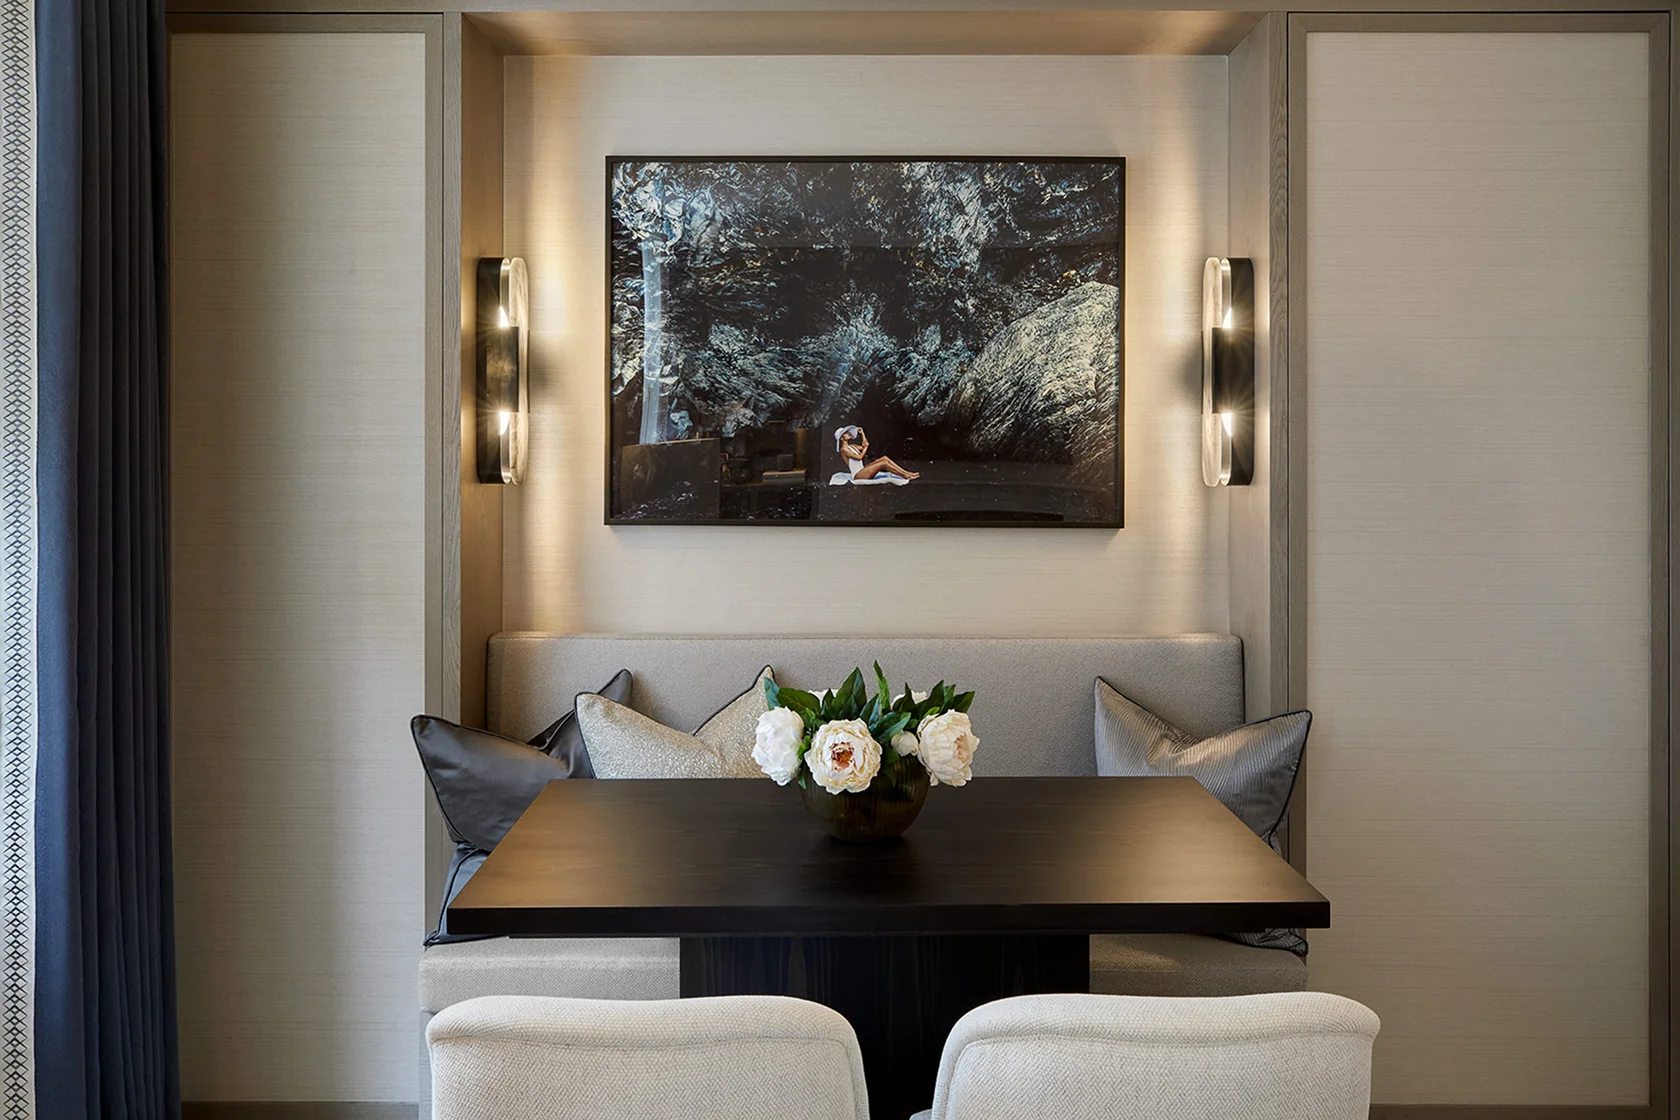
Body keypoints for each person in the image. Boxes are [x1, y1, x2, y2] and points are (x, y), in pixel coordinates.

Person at [836, 425, 919, 482]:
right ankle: (905, 475)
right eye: (845, 433)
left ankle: (906, 473)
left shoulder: (852, 446)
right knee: (884, 463)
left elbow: (865, 444)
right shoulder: (844, 450)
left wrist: (862, 434)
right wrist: (865, 448)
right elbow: (860, 457)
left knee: (885, 458)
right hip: (858, 475)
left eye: (847, 432)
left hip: (862, 470)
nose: (848, 433)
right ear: (842, 438)